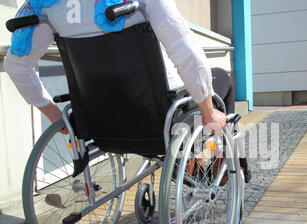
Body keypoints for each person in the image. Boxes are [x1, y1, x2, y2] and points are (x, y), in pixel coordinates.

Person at [4, 0, 234, 134]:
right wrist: (208, 111)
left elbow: (17, 66)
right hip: (157, 114)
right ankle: (223, 160)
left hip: (96, 121)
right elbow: (185, 51)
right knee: (221, 79)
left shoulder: (44, 6)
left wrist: (55, 117)